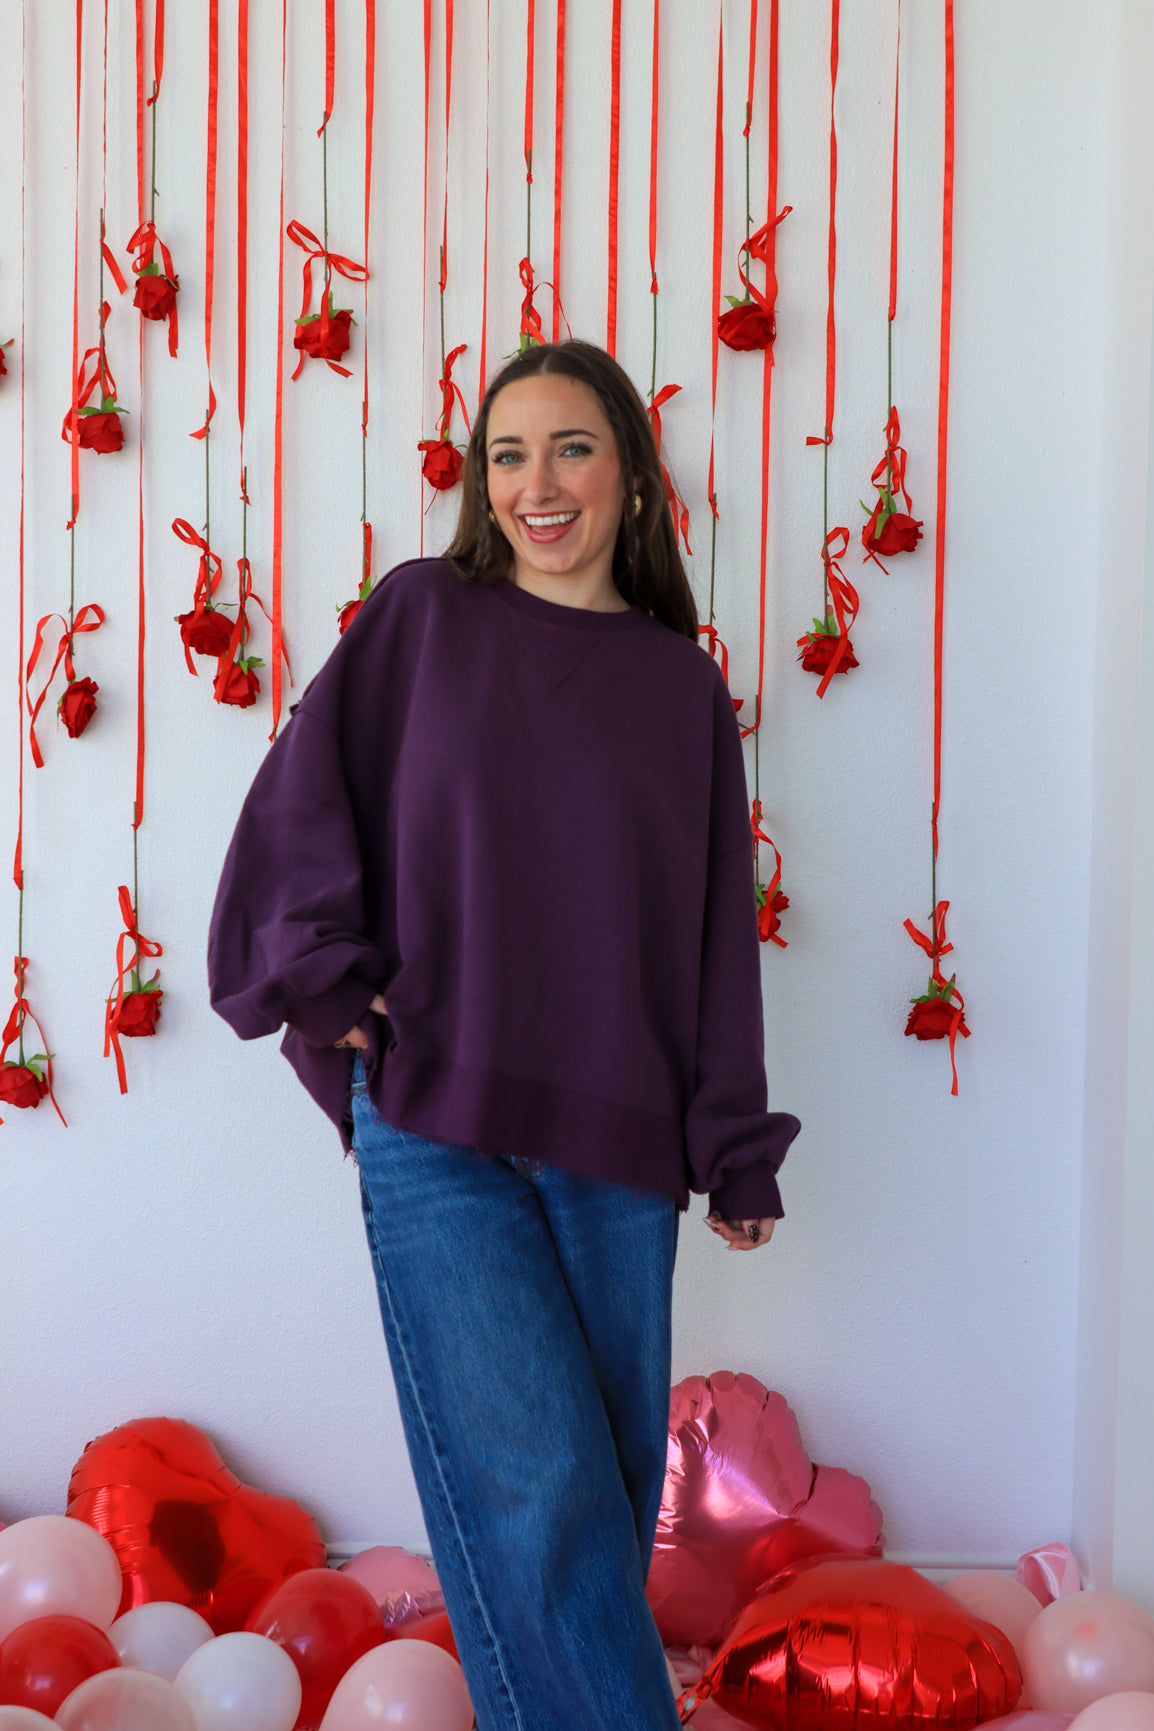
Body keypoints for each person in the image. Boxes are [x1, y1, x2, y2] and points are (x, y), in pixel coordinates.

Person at [208, 338, 800, 1730]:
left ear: (633, 483)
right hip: (434, 1118)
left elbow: (711, 934)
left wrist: (733, 1142)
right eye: (507, 455)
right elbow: (298, 804)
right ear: (483, 486)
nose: (538, 484)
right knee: (531, 1495)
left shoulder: (681, 693)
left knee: (583, 1500)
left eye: (572, 448)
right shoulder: (422, 621)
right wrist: (325, 976)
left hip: (617, 1144)